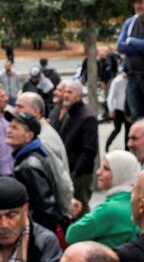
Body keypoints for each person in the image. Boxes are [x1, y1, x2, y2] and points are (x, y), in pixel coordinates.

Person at [15, 92, 75, 218]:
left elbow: (60, 178)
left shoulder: (43, 140)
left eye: (20, 107)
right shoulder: (41, 133)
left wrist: (66, 207)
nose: (16, 111)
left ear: (36, 111)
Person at [6, 111, 65, 233]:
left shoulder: (28, 167)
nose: (8, 131)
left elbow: (45, 208)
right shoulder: (32, 157)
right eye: (9, 126)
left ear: (28, 136)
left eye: (15, 128)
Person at [65, 151, 140, 247]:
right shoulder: (138, 199)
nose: (98, 172)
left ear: (120, 173)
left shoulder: (110, 209)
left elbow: (72, 235)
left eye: (106, 169)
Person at [58, 82, 98, 216]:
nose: (66, 95)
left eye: (70, 92)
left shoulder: (87, 117)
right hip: (69, 170)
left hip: (79, 175)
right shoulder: (69, 113)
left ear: (79, 96)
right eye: (65, 92)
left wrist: (76, 172)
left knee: (80, 210)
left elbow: (90, 150)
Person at [105, 71, 129, 153]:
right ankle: (107, 144)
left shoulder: (132, 80)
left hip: (128, 108)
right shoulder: (117, 81)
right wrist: (111, 108)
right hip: (118, 108)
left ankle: (127, 149)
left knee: (128, 130)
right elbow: (111, 96)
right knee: (117, 129)